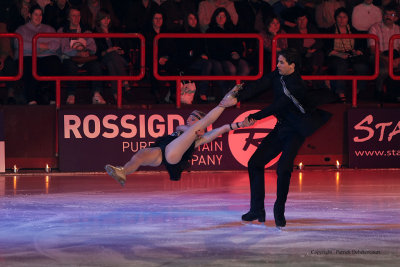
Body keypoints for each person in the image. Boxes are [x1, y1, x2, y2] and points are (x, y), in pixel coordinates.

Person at [235, 49, 331, 228]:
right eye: (278, 62)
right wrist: (238, 96)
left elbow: (277, 106)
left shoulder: (296, 86)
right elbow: (260, 84)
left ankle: (279, 210)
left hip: (296, 129)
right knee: (255, 162)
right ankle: (257, 209)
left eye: (281, 62)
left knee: (283, 168)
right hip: (281, 127)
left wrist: (255, 116)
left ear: (292, 65)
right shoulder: (277, 74)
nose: (277, 65)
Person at [105, 84, 249, 184]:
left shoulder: (201, 137)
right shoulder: (183, 128)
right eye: (189, 116)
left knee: (198, 128)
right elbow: (188, 130)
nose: (188, 118)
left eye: (193, 118)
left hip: (174, 156)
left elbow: (222, 128)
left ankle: (223, 104)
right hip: (161, 152)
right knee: (140, 154)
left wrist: (241, 124)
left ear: (199, 121)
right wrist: (196, 133)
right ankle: (123, 171)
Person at [15, 4, 62, 104]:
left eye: (40, 15)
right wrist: (40, 46)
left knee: (55, 63)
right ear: (29, 15)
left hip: (46, 57)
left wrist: (42, 47)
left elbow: (56, 44)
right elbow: (20, 44)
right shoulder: (21, 30)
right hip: (29, 57)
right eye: (35, 14)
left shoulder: (49, 29)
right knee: (28, 65)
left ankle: (54, 99)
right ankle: (31, 100)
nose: (38, 17)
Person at [58, 6, 106, 104]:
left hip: (85, 58)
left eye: (78, 15)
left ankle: (96, 94)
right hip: (69, 58)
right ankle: (71, 95)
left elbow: (93, 47)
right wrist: (77, 53)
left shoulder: (86, 30)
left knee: (96, 65)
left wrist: (86, 52)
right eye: (73, 16)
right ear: (68, 18)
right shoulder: (62, 30)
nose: (76, 18)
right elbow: (64, 48)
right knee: (70, 67)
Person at [326, 7, 369, 102]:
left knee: (362, 67)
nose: (342, 19)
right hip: (336, 55)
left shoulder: (354, 30)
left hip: (351, 55)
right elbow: (326, 48)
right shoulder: (329, 31)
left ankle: (357, 92)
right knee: (341, 65)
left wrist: (357, 51)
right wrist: (338, 54)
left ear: (348, 18)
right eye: (339, 17)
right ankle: (341, 93)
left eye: (344, 17)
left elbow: (361, 46)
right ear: (335, 18)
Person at [94, 9, 131, 100]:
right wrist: (109, 50)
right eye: (104, 19)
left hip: (118, 59)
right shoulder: (95, 33)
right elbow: (98, 53)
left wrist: (120, 51)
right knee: (112, 55)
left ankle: (115, 93)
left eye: (108, 18)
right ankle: (125, 81)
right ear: (99, 20)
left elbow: (123, 46)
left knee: (112, 61)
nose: (106, 21)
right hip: (103, 59)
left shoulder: (114, 30)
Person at [368, 3, 400, 98]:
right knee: (383, 70)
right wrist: (388, 60)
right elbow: (373, 50)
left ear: (396, 18)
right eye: (386, 14)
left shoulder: (398, 29)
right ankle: (378, 92)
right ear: (383, 15)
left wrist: (398, 60)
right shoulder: (374, 28)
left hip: (395, 56)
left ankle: (395, 95)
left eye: (392, 15)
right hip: (379, 56)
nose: (388, 17)